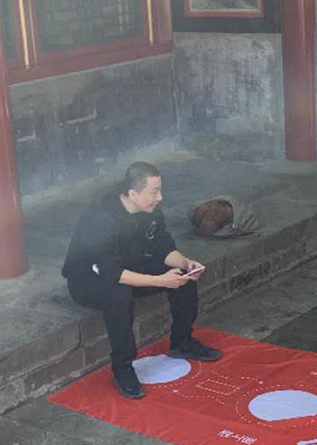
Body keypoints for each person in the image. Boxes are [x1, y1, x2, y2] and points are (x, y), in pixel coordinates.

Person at [64, 161, 221, 399]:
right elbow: (111, 274)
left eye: (160, 190)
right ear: (132, 194)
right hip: (88, 279)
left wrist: (184, 263)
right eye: (154, 192)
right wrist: (160, 281)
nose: (160, 197)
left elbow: (162, 246)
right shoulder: (100, 220)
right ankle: (123, 367)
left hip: (126, 265)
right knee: (120, 296)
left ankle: (182, 342)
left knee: (183, 277)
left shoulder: (150, 211)